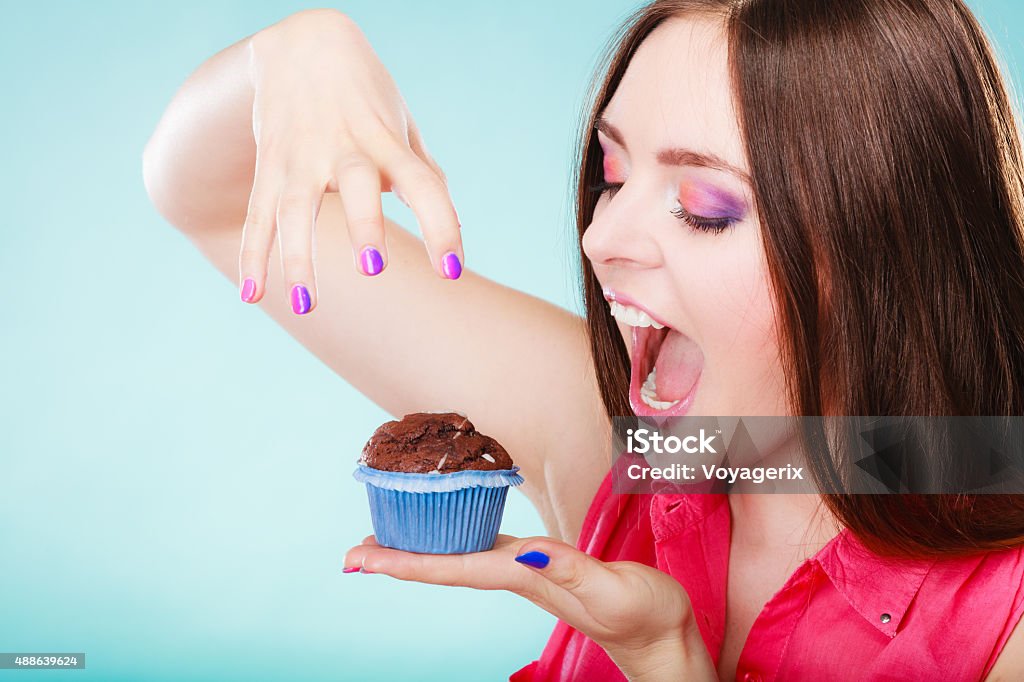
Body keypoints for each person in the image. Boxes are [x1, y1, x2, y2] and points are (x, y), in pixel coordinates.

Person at [143, 1, 1024, 679]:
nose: (601, 238)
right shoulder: (605, 439)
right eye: (613, 171)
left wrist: (668, 656)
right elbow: (204, 192)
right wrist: (298, 51)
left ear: (888, 255)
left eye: (704, 208)